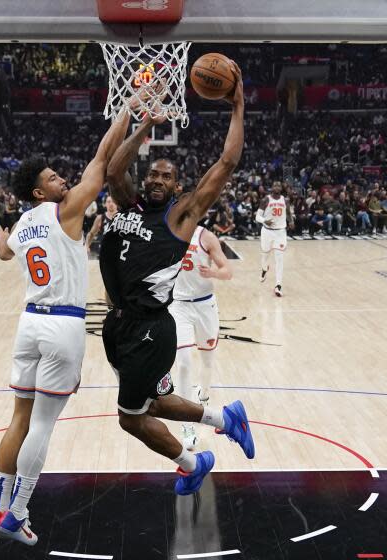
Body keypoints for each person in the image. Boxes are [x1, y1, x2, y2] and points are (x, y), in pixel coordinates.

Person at [100, 61, 254, 498]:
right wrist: (145, 122)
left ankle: (192, 463)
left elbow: (227, 162)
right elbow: (113, 171)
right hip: (118, 324)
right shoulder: (129, 203)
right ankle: (228, 421)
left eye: (166, 176)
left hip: (150, 327)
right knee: (156, 403)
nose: (156, 179)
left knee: (130, 417)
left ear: (176, 185)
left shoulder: (181, 217)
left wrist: (238, 106)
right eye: (152, 173)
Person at [0, 107, 133, 545]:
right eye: (51, 178)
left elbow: (6, 254)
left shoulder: (23, 225)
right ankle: (17, 514)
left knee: (19, 419)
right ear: (37, 191)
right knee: (43, 424)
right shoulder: (63, 211)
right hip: (62, 326)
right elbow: (102, 162)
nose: (61, 180)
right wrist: (126, 111)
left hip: (28, 325)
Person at [169, 222, 232, 450]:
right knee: (184, 363)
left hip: (205, 304)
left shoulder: (205, 237)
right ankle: (187, 424)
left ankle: (203, 395)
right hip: (179, 306)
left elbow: (228, 271)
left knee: (208, 361)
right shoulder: (169, 233)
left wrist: (213, 272)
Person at [257, 182, 292, 297]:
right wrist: (264, 221)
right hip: (267, 231)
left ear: (281, 188)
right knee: (265, 255)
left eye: (279, 186)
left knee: (279, 259)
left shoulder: (285, 200)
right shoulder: (265, 200)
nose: (277, 187)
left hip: (280, 232)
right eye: (275, 185)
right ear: (271, 188)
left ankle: (278, 285)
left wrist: (291, 221)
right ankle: (264, 269)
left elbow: (288, 212)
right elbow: (257, 216)